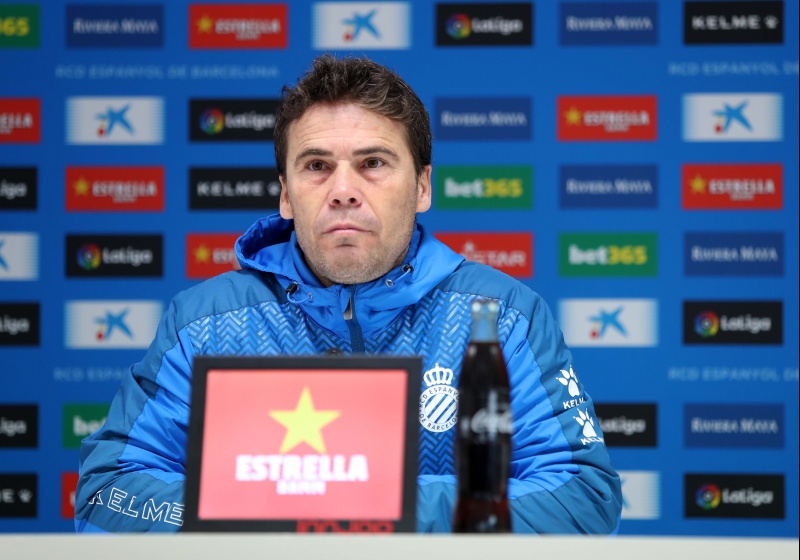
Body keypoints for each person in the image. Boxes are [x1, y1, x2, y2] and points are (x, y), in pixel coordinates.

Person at [74, 53, 622, 533]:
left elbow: (582, 497)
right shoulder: (203, 323)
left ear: (423, 186)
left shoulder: (501, 318)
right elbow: (107, 495)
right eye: (317, 166)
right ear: (285, 195)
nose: (342, 191)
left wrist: (376, 505)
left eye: (372, 163)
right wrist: (263, 508)